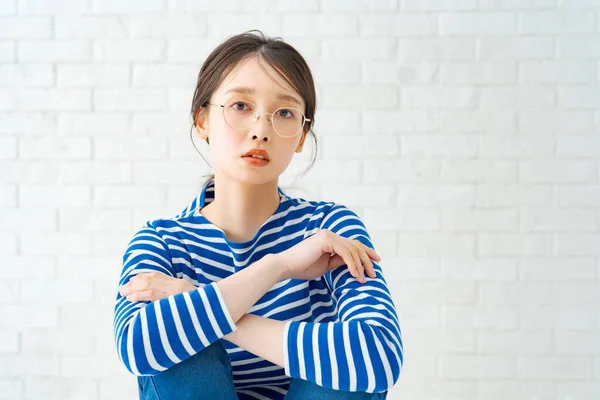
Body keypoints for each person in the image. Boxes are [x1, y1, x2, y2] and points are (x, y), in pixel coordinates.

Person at [113, 30, 403, 400]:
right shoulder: (161, 241)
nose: (260, 131)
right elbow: (139, 348)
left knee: (344, 377)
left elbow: (378, 355)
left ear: (301, 135)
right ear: (202, 120)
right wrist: (279, 265)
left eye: (284, 113)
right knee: (177, 349)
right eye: (240, 106)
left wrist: (201, 303)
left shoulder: (329, 230)